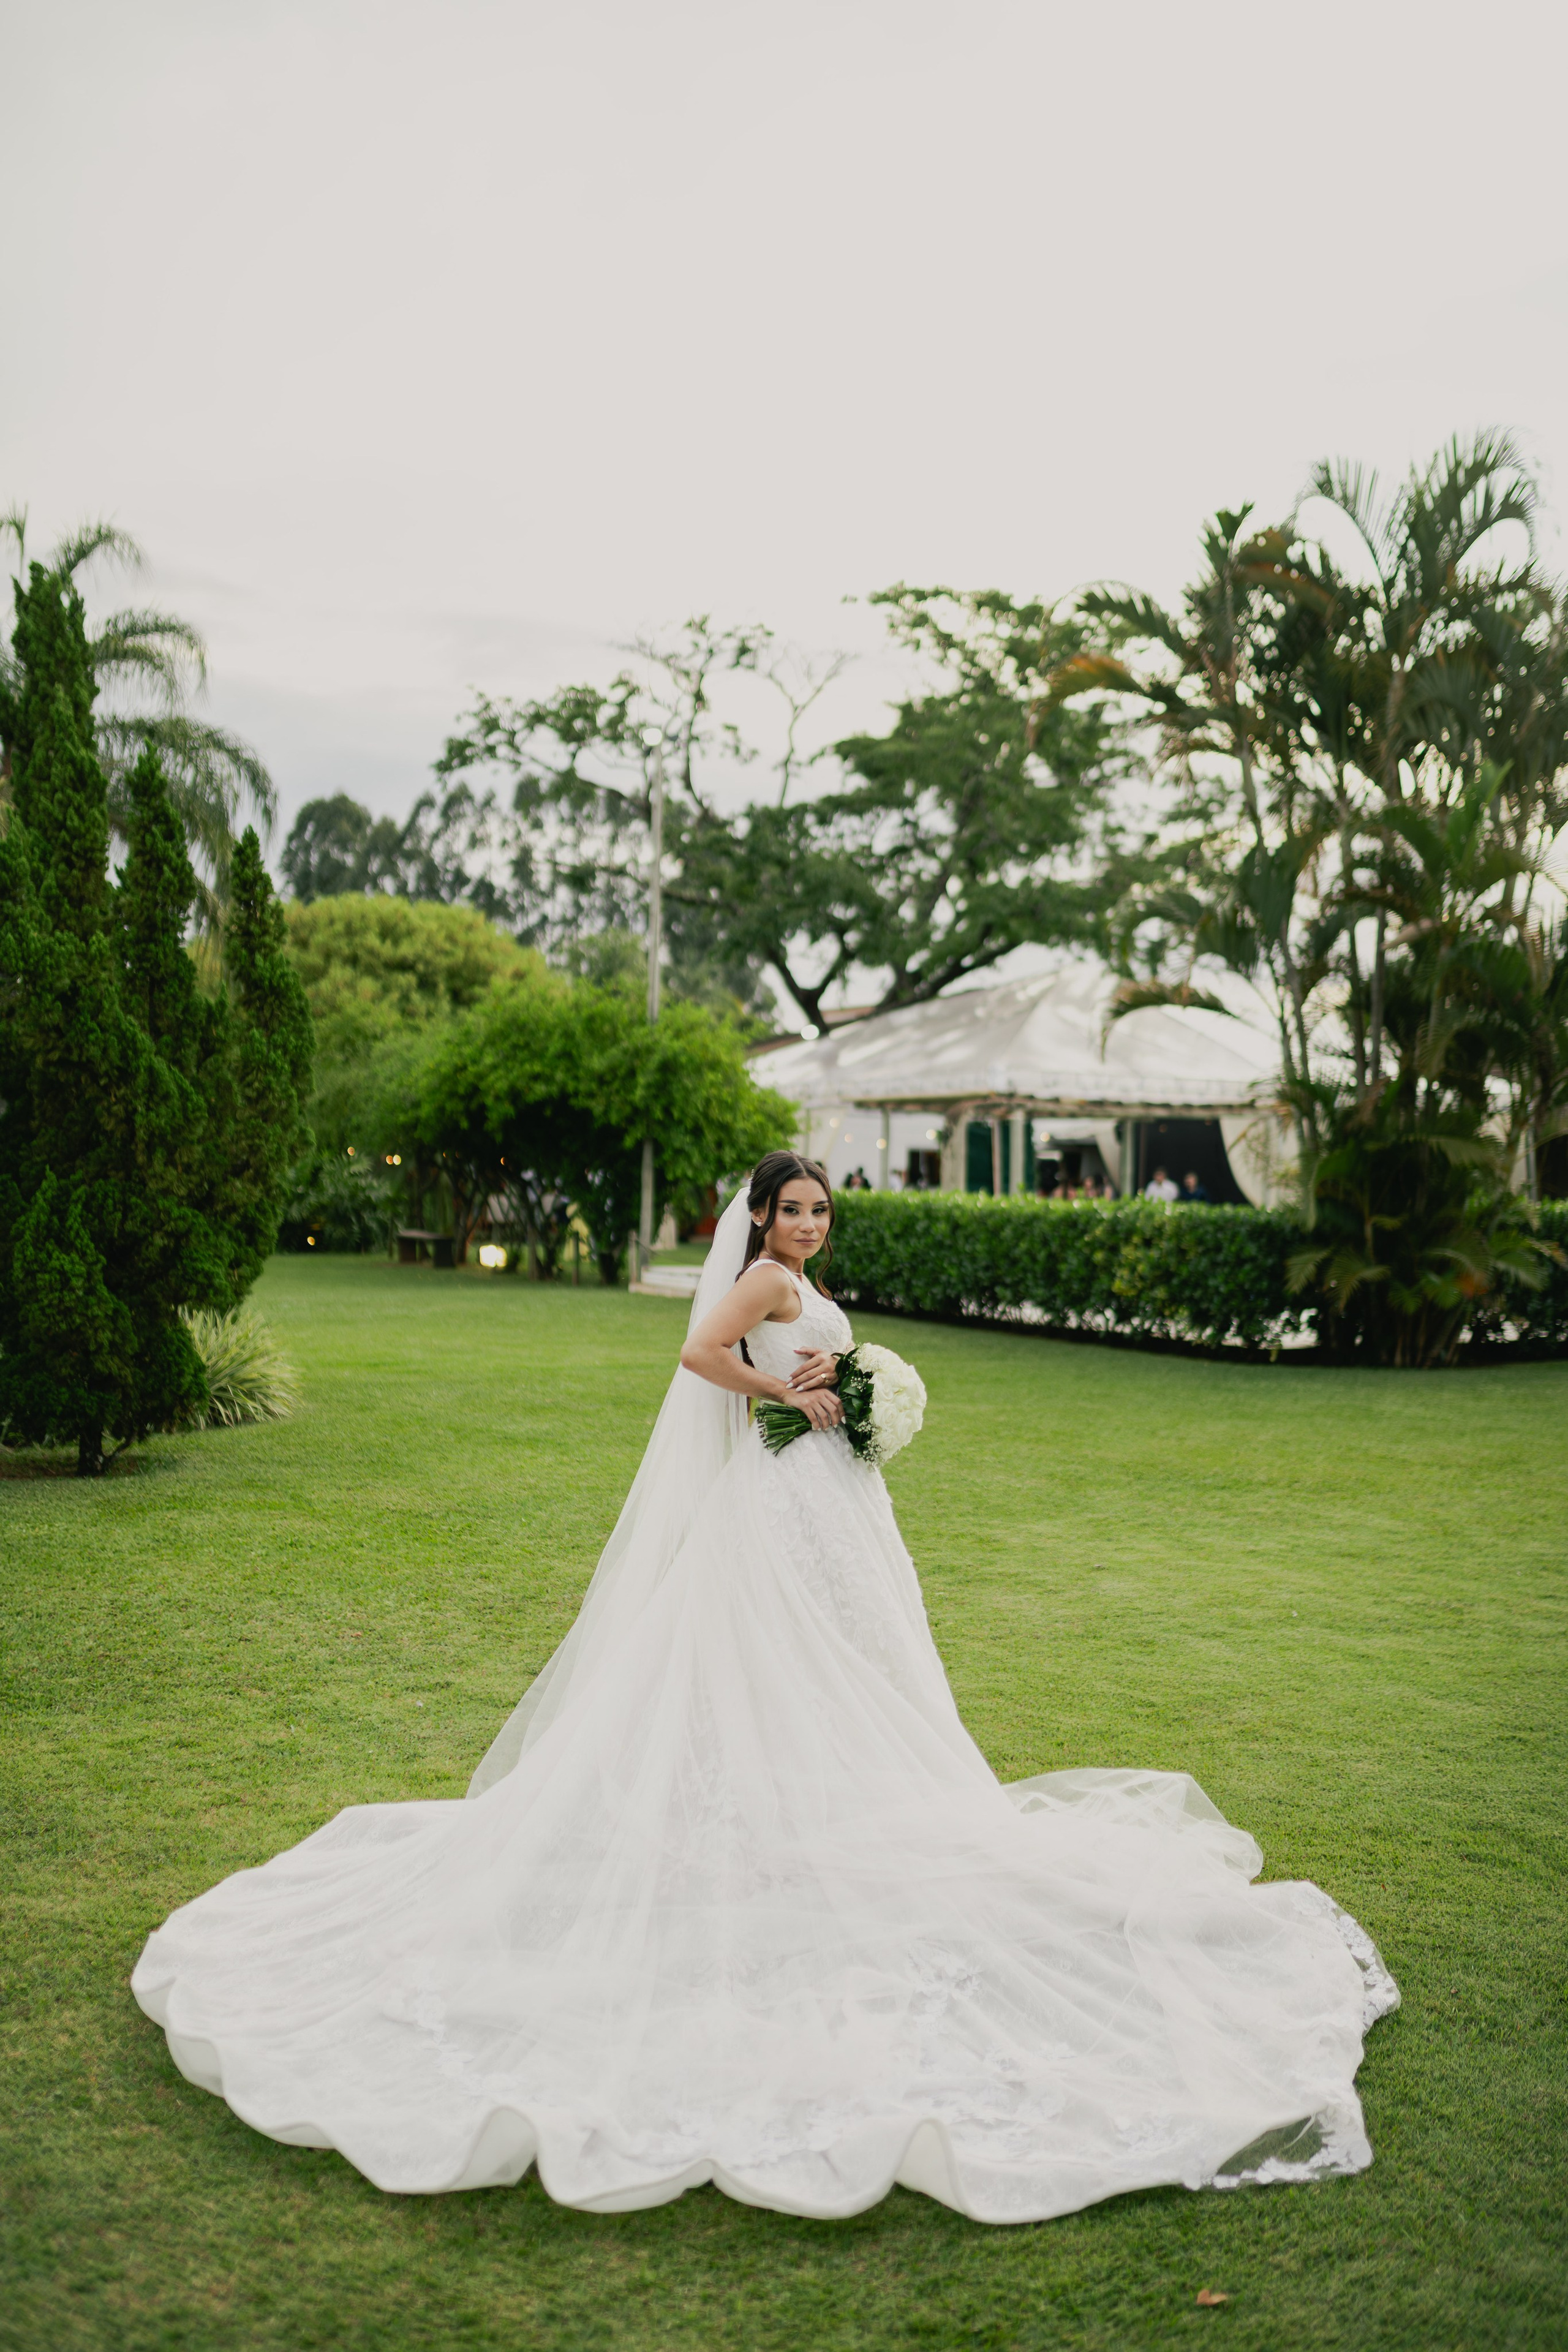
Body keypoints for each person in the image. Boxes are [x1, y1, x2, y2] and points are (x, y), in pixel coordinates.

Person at [132, 1152, 1395, 2223]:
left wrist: (852, 1406)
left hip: (834, 1502)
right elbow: (697, 1353)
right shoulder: (767, 1283)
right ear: (761, 1217)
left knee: (853, 1667)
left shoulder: (808, 1284)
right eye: (792, 1208)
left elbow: (796, 1370)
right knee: (771, 1660)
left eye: (819, 1210)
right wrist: (786, 1392)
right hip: (781, 1501)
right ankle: (746, 1832)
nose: (807, 1224)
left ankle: (819, 1822)